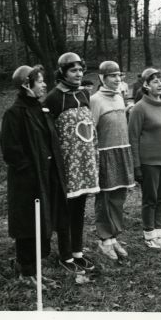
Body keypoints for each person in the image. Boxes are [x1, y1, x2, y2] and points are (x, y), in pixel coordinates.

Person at [0, 65, 68, 283]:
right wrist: (30, 172)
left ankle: (36, 270)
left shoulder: (41, 110)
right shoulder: (14, 114)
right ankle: (26, 272)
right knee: (28, 226)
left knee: (42, 224)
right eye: (39, 81)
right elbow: (11, 151)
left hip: (46, 180)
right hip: (27, 184)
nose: (44, 85)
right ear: (26, 85)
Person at [43, 52, 99, 274]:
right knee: (65, 212)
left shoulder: (84, 94)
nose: (78, 74)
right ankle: (65, 256)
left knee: (79, 209)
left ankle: (77, 253)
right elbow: (48, 134)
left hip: (85, 164)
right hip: (65, 166)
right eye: (73, 70)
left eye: (80, 70)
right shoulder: (53, 98)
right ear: (62, 72)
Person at [90, 61, 135, 260]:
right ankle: (104, 239)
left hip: (122, 151)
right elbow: (91, 131)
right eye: (112, 76)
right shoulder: (95, 100)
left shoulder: (119, 97)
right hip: (105, 154)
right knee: (105, 198)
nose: (117, 79)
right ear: (102, 78)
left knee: (119, 196)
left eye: (119, 75)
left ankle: (114, 236)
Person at [128, 68, 161, 249]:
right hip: (149, 162)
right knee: (150, 198)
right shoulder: (139, 108)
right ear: (146, 85)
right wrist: (136, 166)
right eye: (155, 81)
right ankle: (149, 235)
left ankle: (159, 233)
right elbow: (133, 138)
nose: (160, 84)